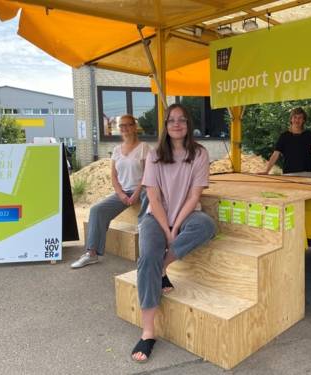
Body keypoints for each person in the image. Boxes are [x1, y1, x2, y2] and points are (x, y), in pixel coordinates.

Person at [131, 103, 216, 363]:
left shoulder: (200, 154)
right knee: (147, 258)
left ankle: (161, 268)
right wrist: (166, 229)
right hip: (155, 217)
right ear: (165, 126)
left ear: (188, 125)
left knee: (206, 225)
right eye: (171, 120)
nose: (176, 124)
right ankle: (148, 333)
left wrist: (176, 227)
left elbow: (194, 196)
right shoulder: (155, 155)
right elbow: (153, 199)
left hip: (186, 214)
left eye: (182, 120)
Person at [71, 114, 150, 269]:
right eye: (122, 126)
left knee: (150, 197)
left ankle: (146, 247)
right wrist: (120, 194)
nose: (125, 128)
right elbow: (114, 176)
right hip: (123, 192)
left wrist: (135, 194)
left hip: (142, 190)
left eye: (128, 125)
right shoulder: (116, 150)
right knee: (96, 210)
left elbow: (148, 174)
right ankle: (91, 254)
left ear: (134, 127)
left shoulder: (144, 148)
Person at [261, 107, 311, 177]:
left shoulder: (308, 134)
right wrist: (267, 171)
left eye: (300, 118)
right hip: (289, 172)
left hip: (307, 171)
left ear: (303, 120)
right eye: (295, 117)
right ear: (291, 119)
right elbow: (275, 154)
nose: (297, 120)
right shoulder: (284, 136)